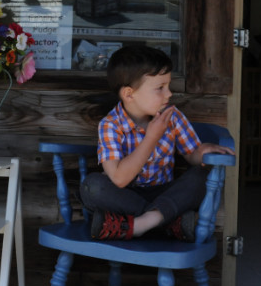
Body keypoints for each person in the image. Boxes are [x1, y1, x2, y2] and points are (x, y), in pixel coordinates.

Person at [81, 45, 234, 241]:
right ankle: (166, 221)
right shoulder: (110, 125)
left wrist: (204, 151)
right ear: (129, 94)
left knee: (202, 177)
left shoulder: (172, 117)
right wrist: (152, 137)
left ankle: (137, 223)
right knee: (92, 187)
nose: (169, 94)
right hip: (125, 196)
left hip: (165, 192)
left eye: (168, 86)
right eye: (160, 88)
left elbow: (192, 153)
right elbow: (119, 178)